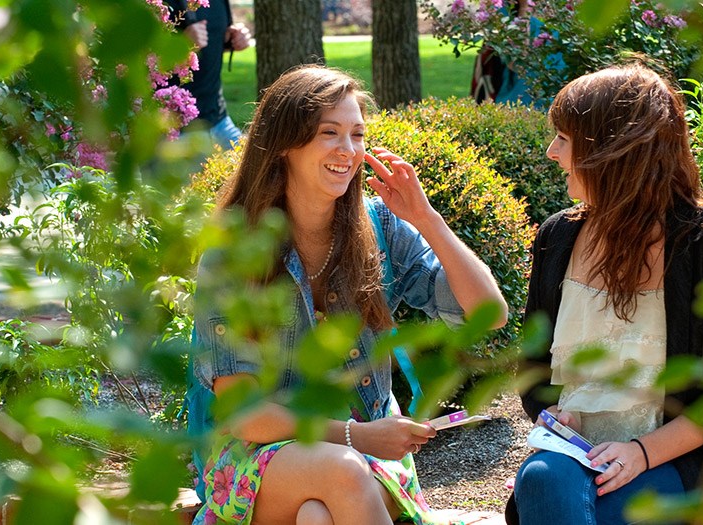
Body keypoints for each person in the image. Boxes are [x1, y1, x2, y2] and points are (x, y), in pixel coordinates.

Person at [189, 65, 508, 525]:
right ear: (284, 145)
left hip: (367, 461)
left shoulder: (380, 228)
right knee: (341, 471)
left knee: (319, 516)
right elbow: (246, 415)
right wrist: (357, 437)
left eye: (357, 135)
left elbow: (488, 313)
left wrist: (426, 218)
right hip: (257, 460)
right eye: (329, 133)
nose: (348, 150)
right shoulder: (234, 253)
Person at [507, 63, 703, 525]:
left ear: (611, 151)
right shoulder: (556, 238)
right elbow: (533, 370)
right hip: (572, 455)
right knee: (543, 481)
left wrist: (641, 454)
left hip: (675, 461)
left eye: (564, 139)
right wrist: (551, 416)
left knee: (605, 512)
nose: (551, 152)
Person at [167, 0, 251, 150]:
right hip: (173, 130)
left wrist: (234, 39)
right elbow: (130, 58)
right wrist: (181, 45)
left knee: (258, 169)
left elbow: (216, 38)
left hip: (219, 119)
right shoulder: (154, 3)